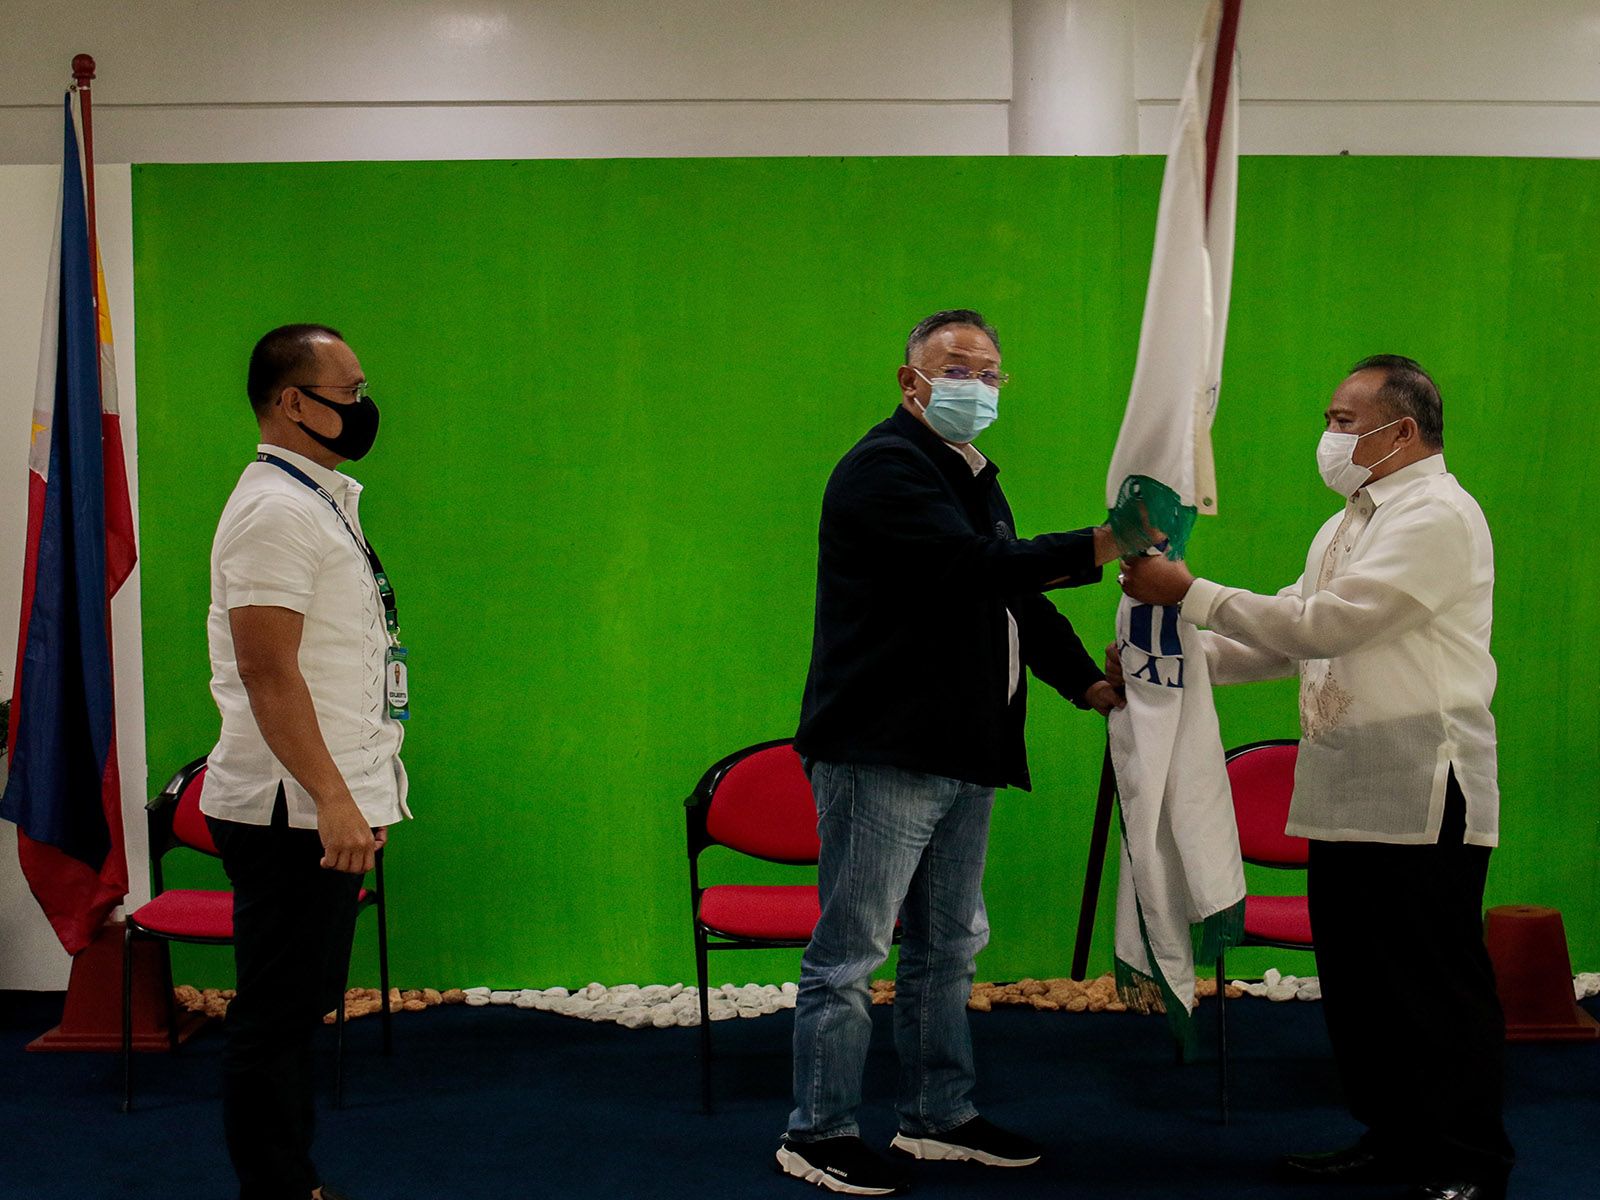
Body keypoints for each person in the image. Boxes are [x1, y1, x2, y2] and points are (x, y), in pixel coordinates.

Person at [1118, 355, 1512, 1200]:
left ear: (1401, 431)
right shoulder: (1347, 521)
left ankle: (1467, 1159)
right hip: (1345, 780)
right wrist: (1173, 665)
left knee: (1432, 983)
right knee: (1363, 986)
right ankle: (1394, 1136)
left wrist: (1190, 595)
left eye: (1342, 420)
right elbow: (1283, 635)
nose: (1328, 437)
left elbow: (1327, 624)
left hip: (1421, 784)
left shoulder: (1438, 515)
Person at [779, 310, 1123, 1195]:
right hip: (884, 750)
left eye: (991, 371)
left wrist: (1086, 683)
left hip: (962, 751)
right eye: (957, 367)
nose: (977, 384)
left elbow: (1015, 594)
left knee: (947, 946)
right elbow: (973, 568)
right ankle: (816, 1132)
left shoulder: (968, 473)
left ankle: (937, 1117)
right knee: (852, 952)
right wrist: (1099, 545)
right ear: (911, 382)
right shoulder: (885, 468)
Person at [200, 324, 411, 1200]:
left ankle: (288, 1179)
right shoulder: (273, 512)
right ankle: (280, 1189)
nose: (364, 407)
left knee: (295, 1008)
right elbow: (266, 668)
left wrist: (361, 794)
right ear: (293, 402)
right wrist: (333, 799)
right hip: (291, 812)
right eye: (350, 391)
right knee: (276, 1018)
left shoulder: (315, 498)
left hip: (325, 801)